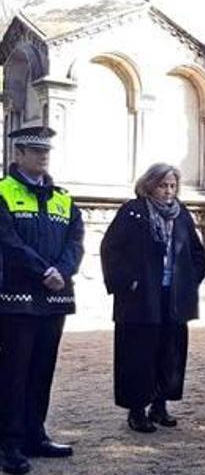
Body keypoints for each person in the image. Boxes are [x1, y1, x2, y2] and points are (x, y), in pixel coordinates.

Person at [0, 127, 83, 475]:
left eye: (46, 150)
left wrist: (61, 270)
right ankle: (9, 443)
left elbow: (76, 242)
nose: (42, 155)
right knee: (13, 372)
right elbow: (7, 240)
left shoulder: (63, 197)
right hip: (16, 298)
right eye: (34, 150)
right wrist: (42, 270)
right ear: (18, 154)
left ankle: (36, 433)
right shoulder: (3, 192)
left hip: (54, 298)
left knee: (42, 370)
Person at [100, 163, 205, 433]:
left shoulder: (181, 215)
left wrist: (190, 279)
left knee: (170, 351)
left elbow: (196, 251)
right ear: (149, 185)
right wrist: (128, 282)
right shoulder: (132, 212)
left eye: (172, 186)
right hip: (140, 297)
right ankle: (137, 410)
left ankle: (160, 404)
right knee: (138, 353)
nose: (168, 191)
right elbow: (111, 249)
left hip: (173, 296)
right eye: (163, 185)